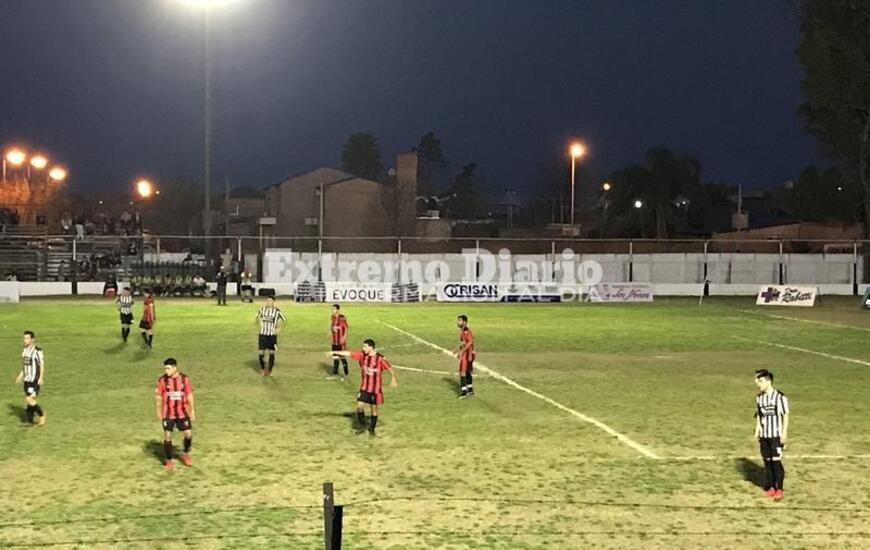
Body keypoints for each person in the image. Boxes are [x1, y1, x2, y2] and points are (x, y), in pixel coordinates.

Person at [331, 339, 397, 436]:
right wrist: (334, 352)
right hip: (365, 388)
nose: (363, 348)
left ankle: (372, 429)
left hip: (375, 390)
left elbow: (390, 368)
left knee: (374, 409)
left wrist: (393, 378)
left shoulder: (379, 359)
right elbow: (349, 353)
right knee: (359, 407)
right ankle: (362, 426)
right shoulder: (362, 355)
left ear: (371, 347)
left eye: (365, 346)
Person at [754, 369, 789, 501]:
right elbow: (760, 415)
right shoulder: (759, 398)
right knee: (767, 462)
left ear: (768, 381)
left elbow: (785, 415)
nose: (758, 384)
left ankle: (779, 489)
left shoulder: (780, 397)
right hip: (764, 436)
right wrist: (757, 430)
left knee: (776, 462)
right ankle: (771, 487)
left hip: (776, 435)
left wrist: (784, 433)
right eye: (757, 381)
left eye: (760, 381)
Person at [155, 358, 196, 470]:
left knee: (188, 434)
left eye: (168, 368)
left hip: (182, 411)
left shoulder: (184, 379)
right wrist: (158, 410)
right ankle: (168, 460)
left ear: (174, 368)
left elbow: (189, 394)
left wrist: (192, 410)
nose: (166, 371)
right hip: (168, 413)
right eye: (165, 368)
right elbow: (159, 396)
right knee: (168, 436)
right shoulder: (162, 380)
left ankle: (185, 454)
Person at [15, 331, 46, 426]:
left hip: (34, 379)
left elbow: (41, 365)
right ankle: (29, 421)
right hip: (27, 379)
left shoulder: (37, 350)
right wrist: (20, 375)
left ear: (32, 339)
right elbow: (25, 365)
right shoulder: (25, 351)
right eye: (24, 338)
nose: (25, 340)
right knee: (30, 400)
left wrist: (41, 377)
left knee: (29, 399)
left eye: (27, 338)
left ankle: (42, 414)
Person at [255, 296, 286, 376]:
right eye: (267, 301)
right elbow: (257, 318)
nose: (268, 302)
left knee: (271, 353)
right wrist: (259, 325)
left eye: (270, 301)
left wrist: (279, 328)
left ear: (273, 302)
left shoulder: (277, 311)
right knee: (261, 353)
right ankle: (262, 368)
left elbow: (284, 320)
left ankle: (269, 370)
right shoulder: (262, 310)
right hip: (263, 334)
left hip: (272, 335)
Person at [455, 314, 475, 398]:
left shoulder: (467, 331)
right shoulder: (462, 331)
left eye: (459, 320)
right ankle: (470, 390)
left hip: (468, 354)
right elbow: (463, 343)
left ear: (464, 322)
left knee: (462, 372)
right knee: (467, 371)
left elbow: (470, 342)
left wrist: (461, 352)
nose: (458, 322)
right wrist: (457, 349)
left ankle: (464, 392)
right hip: (467, 353)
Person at [329, 304, 349, 378]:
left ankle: (346, 372)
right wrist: (331, 333)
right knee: (335, 356)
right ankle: (335, 372)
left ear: (338, 310)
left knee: (342, 356)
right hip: (334, 341)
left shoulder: (342, 318)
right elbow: (332, 326)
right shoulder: (332, 317)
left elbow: (346, 328)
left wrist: (344, 337)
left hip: (341, 341)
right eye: (332, 309)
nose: (332, 310)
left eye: (334, 309)